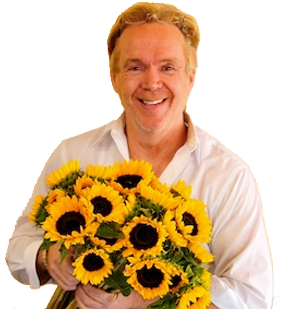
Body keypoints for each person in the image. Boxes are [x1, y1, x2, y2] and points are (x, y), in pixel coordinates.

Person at [5, 2, 273, 308]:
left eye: (167, 67)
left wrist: (145, 298)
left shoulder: (228, 176)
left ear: (190, 76)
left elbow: (252, 298)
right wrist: (49, 257)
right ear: (114, 77)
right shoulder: (74, 155)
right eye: (135, 67)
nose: (151, 83)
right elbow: (18, 251)